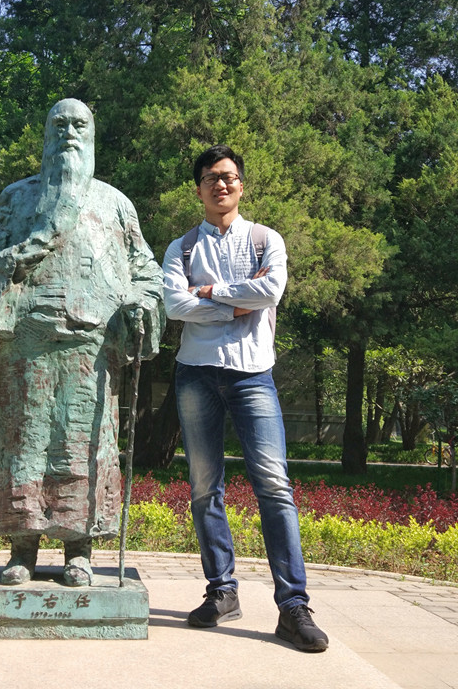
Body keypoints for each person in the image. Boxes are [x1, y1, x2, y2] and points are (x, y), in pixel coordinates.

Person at [0, 98, 164, 587]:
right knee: (22, 445)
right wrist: (14, 260)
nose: (69, 132)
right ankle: (21, 548)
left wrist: (141, 303)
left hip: (91, 352)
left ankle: (79, 550)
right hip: (25, 348)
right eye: (59, 124)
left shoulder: (114, 204)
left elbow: (146, 273)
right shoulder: (17, 199)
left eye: (79, 124)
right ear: (46, 134)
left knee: (80, 446)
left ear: (92, 135)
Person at [162, 144, 328, 652]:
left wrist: (209, 293)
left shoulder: (265, 239)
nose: (221, 184)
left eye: (229, 176)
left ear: (241, 185)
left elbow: (270, 291)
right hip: (196, 374)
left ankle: (293, 606)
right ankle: (222, 591)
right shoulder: (181, 248)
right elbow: (173, 304)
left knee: (274, 485)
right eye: (211, 178)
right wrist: (235, 303)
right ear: (198, 189)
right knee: (203, 487)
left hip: (253, 375)